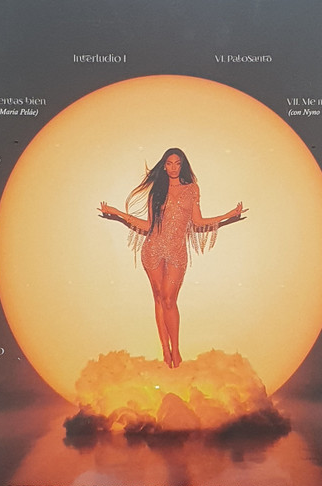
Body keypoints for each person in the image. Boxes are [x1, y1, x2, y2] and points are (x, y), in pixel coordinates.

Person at [99, 148, 246, 368]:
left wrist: (228, 216)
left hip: (177, 250)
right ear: (164, 166)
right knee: (159, 298)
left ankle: (176, 351)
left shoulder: (192, 189)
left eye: (177, 163)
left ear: (182, 165)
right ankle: (165, 352)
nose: (173, 167)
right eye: (169, 163)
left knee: (169, 300)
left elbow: (197, 221)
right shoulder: (157, 192)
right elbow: (148, 226)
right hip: (153, 248)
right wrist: (118, 214)